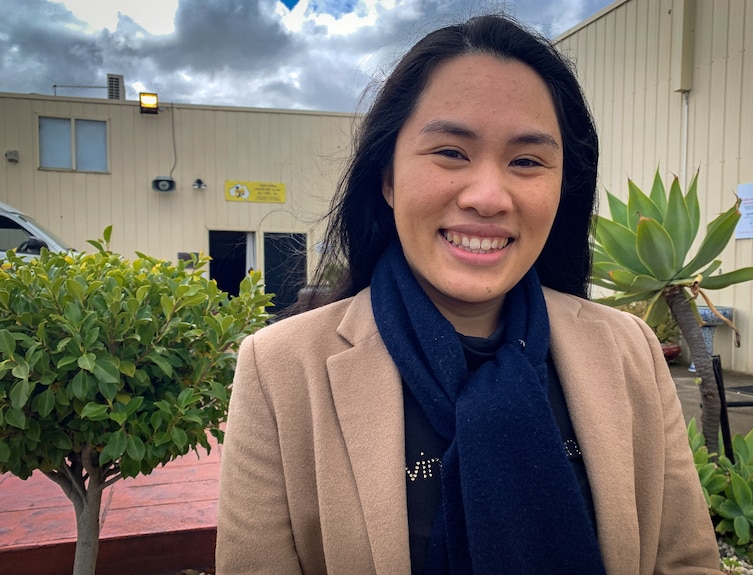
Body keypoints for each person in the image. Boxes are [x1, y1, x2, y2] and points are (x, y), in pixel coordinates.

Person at [216, 13, 722, 575]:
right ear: (387, 178)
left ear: (561, 189)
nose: (488, 197)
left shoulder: (630, 351)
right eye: (451, 152)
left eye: (527, 161)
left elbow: (686, 560)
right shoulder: (281, 369)